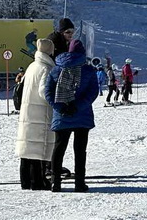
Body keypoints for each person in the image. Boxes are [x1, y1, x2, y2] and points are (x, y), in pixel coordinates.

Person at [45, 39, 99, 193]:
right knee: (80, 150)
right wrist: (77, 106)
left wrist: (61, 107)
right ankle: (79, 183)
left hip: (62, 116)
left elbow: (47, 92)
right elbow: (92, 93)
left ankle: (55, 182)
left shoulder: (56, 69)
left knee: (59, 148)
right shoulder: (88, 70)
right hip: (82, 116)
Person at [15, 37, 56, 191]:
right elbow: (44, 90)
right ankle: (38, 181)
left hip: (28, 112)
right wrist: (55, 101)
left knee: (27, 147)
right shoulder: (46, 68)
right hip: (40, 112)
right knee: (38, 148)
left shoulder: (32, 66)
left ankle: (25, 181)